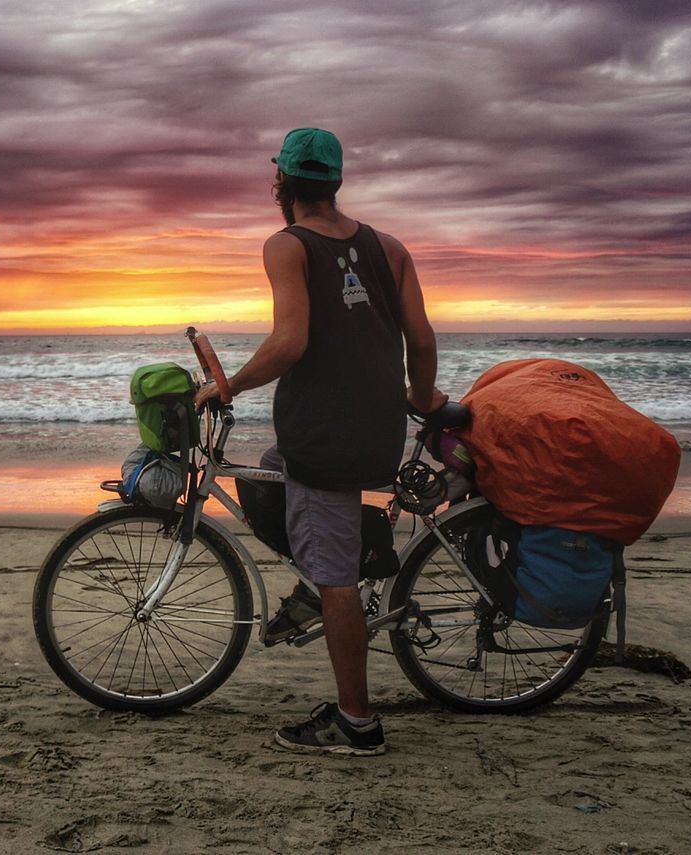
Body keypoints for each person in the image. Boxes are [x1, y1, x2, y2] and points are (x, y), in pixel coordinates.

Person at [194, 127, 446, 756]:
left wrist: (227, 387)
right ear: (335, 182)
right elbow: (421, 337)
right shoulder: (389, 247)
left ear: (281, 183)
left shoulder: (287, 245)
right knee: (271, 471)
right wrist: (421, 397)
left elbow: (291, 342)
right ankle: (325, 577)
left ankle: (356, 722)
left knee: (332, 569)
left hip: (326, 436)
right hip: (379, 429)